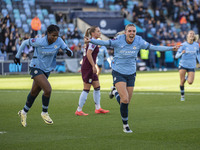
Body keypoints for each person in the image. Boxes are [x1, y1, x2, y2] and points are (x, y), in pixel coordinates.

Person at [84, 24, 180, 133]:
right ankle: (125, 125)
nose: (132, 33)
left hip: (131, 73)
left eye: (134, 31)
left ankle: (115, 91)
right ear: (125, 32)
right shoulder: (118, 40)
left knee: (126, 102)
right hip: (118, 71)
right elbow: (105, 43)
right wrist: (91, 41)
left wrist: (171, 48)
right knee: (124, 99)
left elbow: (154, 47)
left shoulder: (139, 41)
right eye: (129, 31)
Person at [14, 24, 73, 127]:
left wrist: (69, 52)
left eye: (57, 36)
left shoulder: (59, 41)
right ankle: (44, 112)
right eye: (53, 35)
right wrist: (17, 56)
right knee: (48, 89)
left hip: (46, 70)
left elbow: (68, 50)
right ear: (48, 34)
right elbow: (24, 43)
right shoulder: (40, 41)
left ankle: (23, 112)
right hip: (36, 67)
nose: (55, 38)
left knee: (34, 92)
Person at [75, 26, 109, 116]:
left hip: (89, 66)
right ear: (93, 33)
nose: (100, 33)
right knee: (86, 89)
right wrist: (94, 66)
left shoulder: (91, 41)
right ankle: (79, 110)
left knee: (97, 87)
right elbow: (89, 54)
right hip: (88, 67)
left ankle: (98, 108)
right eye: (98, 31)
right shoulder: (92, 42)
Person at [175, 30, 200, 101]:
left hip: (191, 66)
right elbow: (176, 56)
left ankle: (187, 77)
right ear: (187, 36)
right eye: (190, 33)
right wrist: (181, 53)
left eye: (193, 34)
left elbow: (198, 54)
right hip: (183, 65)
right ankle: (182, 96)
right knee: (182, 82)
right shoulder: (183, 45)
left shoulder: (196, 45)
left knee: (190, 82)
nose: (192, 35)